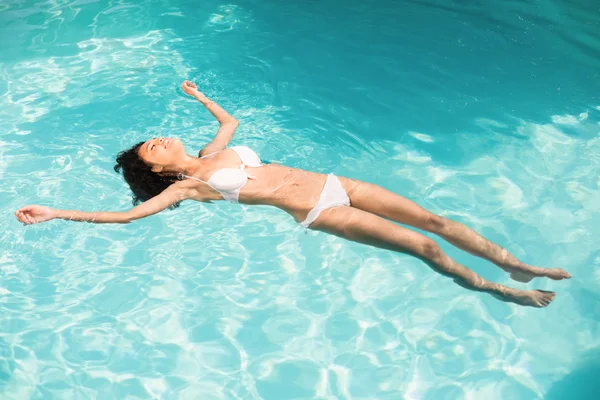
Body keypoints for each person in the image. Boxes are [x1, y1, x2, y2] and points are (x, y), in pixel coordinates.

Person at [15, 81, 571, 308]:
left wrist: (199, 96)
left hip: (336, 182)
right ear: (156, 170)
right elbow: (126, 217)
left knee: (436, 220)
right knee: (426, 249)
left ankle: (516, 264)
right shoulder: (189, 186)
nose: (156, 141)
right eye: (149, 149)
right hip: (320, 210)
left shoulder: (211, 155)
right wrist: (56, 212)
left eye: (153, 139)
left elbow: (231, 123)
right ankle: (498, 289)